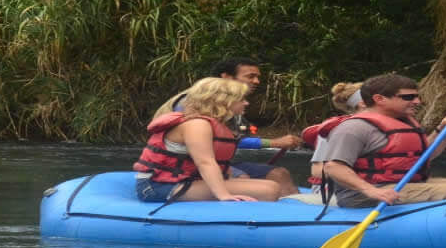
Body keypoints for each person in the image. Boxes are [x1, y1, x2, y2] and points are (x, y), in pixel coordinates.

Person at [316, 73, 446, 207]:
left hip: (405, 184)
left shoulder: (402, 122)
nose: (417, 101)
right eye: (408, 97)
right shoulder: (353, 128)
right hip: (362, 194)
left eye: (417, 96)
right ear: (380, 99)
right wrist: (371, 190)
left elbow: (425, 157)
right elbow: (334, 167)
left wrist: (445, 130)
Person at [156, 57, 300, 194]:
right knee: (243, 178)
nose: (256, 81)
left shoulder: (229, 104)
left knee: (279, 174)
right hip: (186, 166)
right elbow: (203, 153)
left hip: (217, 162)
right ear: (227, 77)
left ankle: (300, 215)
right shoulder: (194, 103)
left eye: (257, 77)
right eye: (250, 76)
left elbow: (229, 140)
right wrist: (274, 142)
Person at [133, 77, 285, 203]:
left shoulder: (210, 123)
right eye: (242, 99)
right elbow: (205, 162)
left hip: (183, 181)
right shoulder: (197, 124)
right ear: (223, 101)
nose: (246, 103)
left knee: (272, 186)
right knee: (267, 191)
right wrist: (224, 196)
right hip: (157, 187)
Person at [303, 81, 364, 188]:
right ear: (363, 103)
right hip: (330, 189)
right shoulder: (336, 128)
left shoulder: (392, 126)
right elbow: (317, 171)